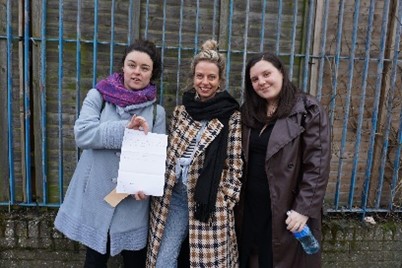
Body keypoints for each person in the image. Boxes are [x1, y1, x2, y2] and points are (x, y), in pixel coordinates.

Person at [54, 39, 166, 268]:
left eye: (145, 68)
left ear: (152, 74)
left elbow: (156, 158)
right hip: (97, 201)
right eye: (132, 65)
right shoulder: (98, 97)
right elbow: (82, 134)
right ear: (122, 67)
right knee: (94, 262)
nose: (137, 72)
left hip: (133, 205)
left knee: (135, 263)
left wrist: (146, 184)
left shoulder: (157, 112)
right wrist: (124, 129)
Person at [146, 39, 243, 267]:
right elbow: (169, 151)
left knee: (207, 263)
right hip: (175, 196)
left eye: (211, 77)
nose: (205, 82)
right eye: (200, 76)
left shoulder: (231, 115)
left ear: (220, 80)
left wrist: (224, 200)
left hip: (209, 201)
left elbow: (235, 164)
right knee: (163, 259)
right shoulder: (182, 111)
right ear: (193, 77)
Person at [236, 52, 331, 268]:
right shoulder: (249, 111)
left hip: (286, 209)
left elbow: (317, 165)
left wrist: (303, 209)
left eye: (266, 74)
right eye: (254, 79)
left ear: (281, 72)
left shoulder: (307, 110)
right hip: (250, 207)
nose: (261, 82)